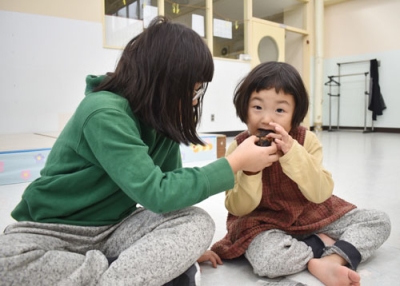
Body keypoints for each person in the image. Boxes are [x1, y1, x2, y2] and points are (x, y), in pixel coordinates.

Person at [0, 17, 275, 286]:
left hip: (116, 229)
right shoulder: (103, 111)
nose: (194, 99)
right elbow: (157, 192)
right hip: (55, 231)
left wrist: (175, 251)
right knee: (6, 262)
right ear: (163, 82)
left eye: (197, 90)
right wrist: (233, 163)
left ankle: (121, 269)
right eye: (190, 90)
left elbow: (173, 201)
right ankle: (131, 272)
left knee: (197, 222)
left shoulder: (161, 123)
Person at [211, 61, 391, 286]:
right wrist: (250, 170)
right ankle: (321, 244)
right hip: (261, 222)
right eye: (257, 107)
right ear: (244, 108)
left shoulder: (307, 141)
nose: (267, 119)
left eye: (280, 110)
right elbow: (237, 208)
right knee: (270, 262)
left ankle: (330, 260)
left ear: (295, 113)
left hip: (310, 212)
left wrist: (292, 153)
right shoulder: (238, 148)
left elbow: (320, 193)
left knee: (378, 221)